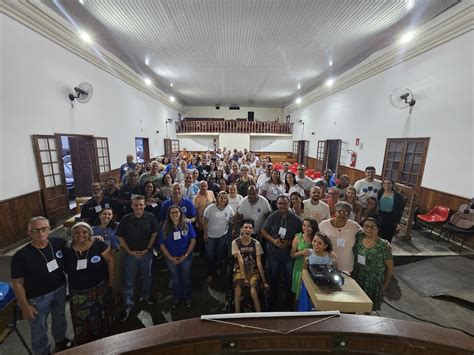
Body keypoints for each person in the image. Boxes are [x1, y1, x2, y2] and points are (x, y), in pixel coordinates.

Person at [11, 217, 71, 355]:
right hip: (37, 298)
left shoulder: (58, 243)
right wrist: (25, 307)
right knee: (39, 328)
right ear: (29, 232)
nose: (40, 232)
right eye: (35, 230)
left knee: (60, 318)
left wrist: (95, 237)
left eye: (44, 228)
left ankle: (60, 340)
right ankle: (42, 352)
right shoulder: (21, 256)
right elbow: (17, 283)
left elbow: (77, 243)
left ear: (49, 229)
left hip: (60, 289)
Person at [63, 222, 114, 345]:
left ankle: (103, 338)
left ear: (90, 233)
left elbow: (111, 260)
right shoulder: (67, 249)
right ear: (72, 234)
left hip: (98, 287)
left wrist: (112, 279)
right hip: (77, 290)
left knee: (100, 313)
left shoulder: (98, 244)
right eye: (77, 232)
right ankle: (85, 340)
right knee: (82, 317)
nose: (81, 235)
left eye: (84, 232)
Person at [117, 196, 158, 321]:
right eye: (136, 205)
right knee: (129, 280)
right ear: (131, 206)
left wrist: (147, 248)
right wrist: (129, 251)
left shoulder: (151, 217)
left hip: (146, 253)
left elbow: (154, 233)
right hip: (131, 254)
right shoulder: (125, 219)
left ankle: (146, 296)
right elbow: (120, 237)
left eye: (141, 205)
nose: (138, 207)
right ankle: (128, 305)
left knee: (147, 275)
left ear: (145, 205)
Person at [261, 195, 302, 310]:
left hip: (289, 255)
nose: (282, 206)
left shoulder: (296, 219)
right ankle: (272, 304)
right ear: (277, 204)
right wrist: (273, 241)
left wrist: (289, 243)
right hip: (273, 254)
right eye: (280, 203)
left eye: (284, 203)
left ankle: (288, 305)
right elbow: (263, 231)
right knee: (273, 279)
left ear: (289, 204)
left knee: (289, 280)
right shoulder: (272, 216)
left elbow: (300, 235)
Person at [352, 217, 394, 310]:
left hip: (373, 281)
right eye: (366, 226)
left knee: (368, 308)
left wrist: (385, 286)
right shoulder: (359, 237)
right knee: (355, 304)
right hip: (358, 276)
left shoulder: (384, 245)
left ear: (378, 229)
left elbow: (390, 268)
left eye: (372, 227)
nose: (368, 229)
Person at [159, 206, 196, 308]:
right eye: (172, 213)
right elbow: (162, 245)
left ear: (180, 213)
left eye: (176, 212)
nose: (174, 214)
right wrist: (170, 258)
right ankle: (176, 297)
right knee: (175, 279)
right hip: (171, 258)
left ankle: (187, 297)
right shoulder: (165, 227)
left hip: (186, 257)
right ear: (169, 215)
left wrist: (185, 255)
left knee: (186, 278)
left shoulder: (187, 224)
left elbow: (193, 241)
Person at [232, 219, 270, 313]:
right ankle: (237, 316)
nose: (248, 230)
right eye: (245, 227)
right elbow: (240, 261)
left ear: (252, 230)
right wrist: (244, 278)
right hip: (240, 271)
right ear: (241, 229)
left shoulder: (256, 243)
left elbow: (259, 263)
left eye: (250, 228)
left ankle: (259, 315)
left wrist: (264, 281)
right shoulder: (235, 242)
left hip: (253, 271)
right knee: (237, 290)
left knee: (253, 291)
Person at [319, 201, 361, 273]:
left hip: (346, 265)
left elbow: (365, 235)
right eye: (340, 211)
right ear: (335, 212)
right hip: (326, 262)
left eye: (346, 213)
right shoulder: (324, 224)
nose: (342, 214)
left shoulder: (354, 226)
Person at [203, 191, 235, 283]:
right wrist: (205, 233)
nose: (223, 200)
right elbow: (204, 220)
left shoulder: (229, 209)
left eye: (225, 198)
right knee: (210, 255)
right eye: (221, 197)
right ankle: (210, 273)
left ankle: (217, 268)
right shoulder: (210, 208)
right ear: (217, 198)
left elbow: (232, 218)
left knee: (219, 254)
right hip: (210, 236)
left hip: (222, 235)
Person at [290, 218, 318, 301]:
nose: (305, 228)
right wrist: (301, 253)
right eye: (304, 225)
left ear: (314, 227)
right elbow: (291, 255)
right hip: (299, 268)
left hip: (313, 269)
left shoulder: (317, 238)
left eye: (309, 226)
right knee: (297, 293)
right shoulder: (298, 238)